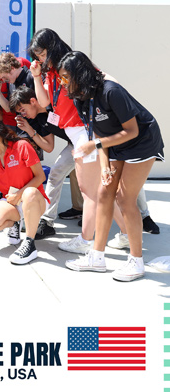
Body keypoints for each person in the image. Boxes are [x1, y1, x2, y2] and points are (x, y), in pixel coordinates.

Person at [58, 51, 164, 282]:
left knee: (125, 200)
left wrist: (94, 145)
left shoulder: (111, 91)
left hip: (141, 142)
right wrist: (104, 166)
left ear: (79, 73)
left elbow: (132, 131)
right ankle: (96, 257)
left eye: (65, 77)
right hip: (115, 142)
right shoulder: (80, 98)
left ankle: (136, 262)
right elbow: (100, 133)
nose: (62, 83)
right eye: (61, 78)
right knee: (104, 193)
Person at [29, 28, 101, 254]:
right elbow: (44, 103)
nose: (39, 58)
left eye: (41, 53)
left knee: (92, 189)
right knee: (93, 186)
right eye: (37, 55)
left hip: (84, 131)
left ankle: (88, 240)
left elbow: (100, 80)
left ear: (51, 48)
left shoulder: (71, 65)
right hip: (74, 134)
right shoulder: (49, 72)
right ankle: (117, 234)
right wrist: (36, 76)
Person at [0, 117, 49, 264]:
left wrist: (19, 194)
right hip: (11, 201)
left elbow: (40, 177)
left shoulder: (21, 145)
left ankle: (29, 243)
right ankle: (15, 221)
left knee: (29, 193)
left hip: (34, 199)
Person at [9, 86, 73, 240]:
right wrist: (29, 129)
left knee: (116, 181)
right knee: (55, 172)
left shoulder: (54, 102)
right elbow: (49, 147)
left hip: (93, 139)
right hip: (75, 145)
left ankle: (142, 215)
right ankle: (46, 222)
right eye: (20, 112)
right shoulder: (38, 119)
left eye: (23, 109)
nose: (22, 114)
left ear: (33, 101)